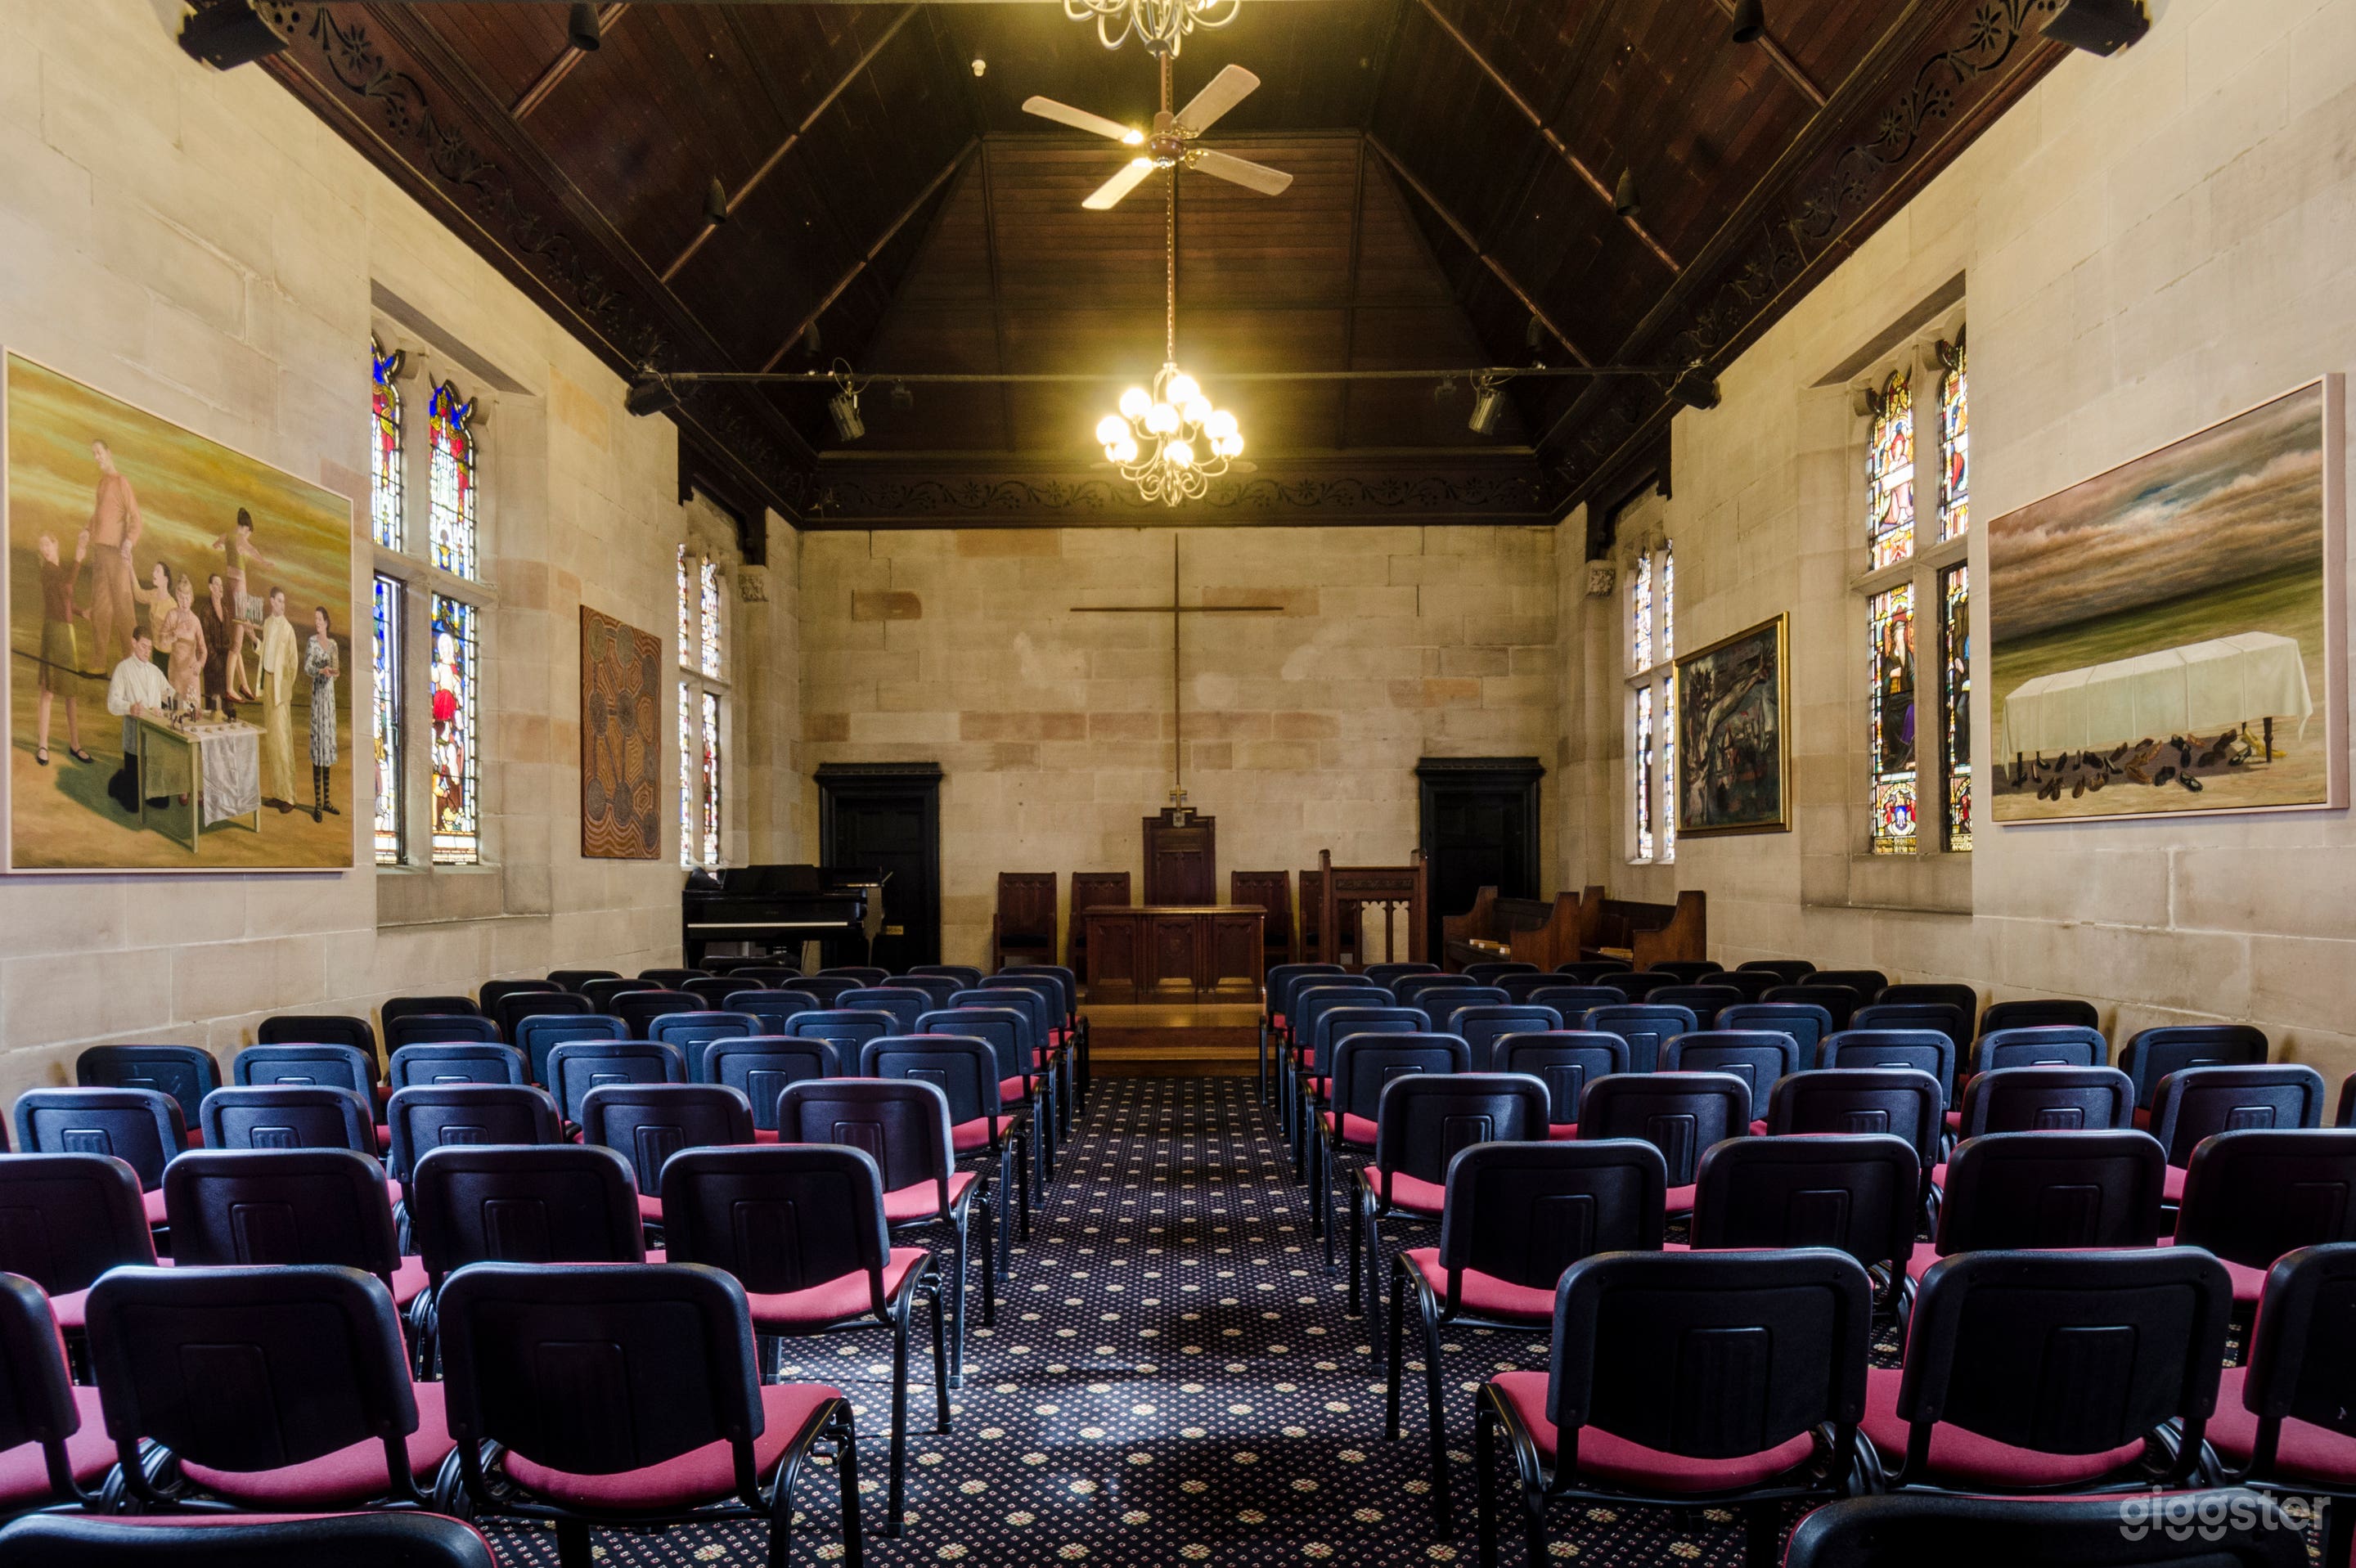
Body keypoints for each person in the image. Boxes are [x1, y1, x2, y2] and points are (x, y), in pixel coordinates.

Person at [34, 531, 93, 767]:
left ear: (56, 543)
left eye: (47, 544)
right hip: (53, 632)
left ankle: (75, 744)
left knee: (70, 692)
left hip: (68, 634)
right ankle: (43, 744)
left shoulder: (57, 570)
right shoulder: (48, 570)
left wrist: (81, 612)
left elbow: (65, 600)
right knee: (48, 691)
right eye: (41, 546)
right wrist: (78, 558)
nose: (44, 549)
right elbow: (68, 586)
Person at [85, 439, 143, 668]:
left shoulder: (122, 482)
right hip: (99, 552)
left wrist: (129, 541)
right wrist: (86, 531)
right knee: (100, 609)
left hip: (117, 554)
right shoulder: (102, 484)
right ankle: (99, 663)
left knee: (124, 610)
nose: (96, 457)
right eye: (93, 454)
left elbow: (136, 518)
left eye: (99, 452)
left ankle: (133, 664)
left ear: (109, 453)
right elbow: (98, 515)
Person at [105, 627, 173, 813]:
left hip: (153, 739)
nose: (147, 652)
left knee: (161, 802)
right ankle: (119, 781)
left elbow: (170, 693)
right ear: (134, 643)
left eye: (149, 648)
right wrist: (129, 708)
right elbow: (112, 702)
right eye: (143, 646)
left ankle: (136, 782)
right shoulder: (123, 669)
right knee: (133, 806)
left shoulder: (155, 671)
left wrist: (187, 706)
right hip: (134, 738)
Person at [213, 508, 273, 702]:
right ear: (246, 528)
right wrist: (264, 562)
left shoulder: (227, 536)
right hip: (239, 589)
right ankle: (229, 688)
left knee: (237, 639)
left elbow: (216, 543)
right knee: (237, 643)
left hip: (230, 589)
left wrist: (220, 546)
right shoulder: (240, 539)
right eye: (249, 533)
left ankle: (244, 685)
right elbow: (253, 551)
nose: (248, 537)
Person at [256, 586, 299, 813]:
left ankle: (289, 796)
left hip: (280, 691)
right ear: (271, 601)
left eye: (284, 601)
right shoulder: (267, 624)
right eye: (279, 601)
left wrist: (284, 688)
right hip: (268, 684)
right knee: (272, 742)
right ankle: (277, 793)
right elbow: (266, 653)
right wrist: (253, 639)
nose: (282, 605)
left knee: (283, 742)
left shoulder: (288, 629)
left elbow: (293, 663)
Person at [304, 605, 340, 823]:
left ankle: (327, 800)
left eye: (320, 619)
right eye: (315, 619)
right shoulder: (312, 642)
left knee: (327, 750)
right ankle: (317, 803)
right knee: (318, 751)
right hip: (318, 699)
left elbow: (337, 669)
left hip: (329, 701)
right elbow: (307, 667)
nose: (317, 622)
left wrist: (333, 672)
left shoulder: (333, 644)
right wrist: (320, 671)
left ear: (326, 622)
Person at [157, 574, 207, 708]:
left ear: (192, 599)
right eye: (181, 598)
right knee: (177, 710)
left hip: (191, 672)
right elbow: (161, 641)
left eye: (187, 598)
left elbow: (203, 650)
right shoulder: (172, 615)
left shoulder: (196, 621)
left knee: (193, 710)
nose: (184, 602)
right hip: (176, 671)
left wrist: (200, 663)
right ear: (177, 598)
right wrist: (174, 634)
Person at [197, 573, 236, 719]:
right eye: (216, 584)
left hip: (224, 663)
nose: (220, 588)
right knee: (214, 706)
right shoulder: (205, 610)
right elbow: (205, 640)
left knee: (227, 705)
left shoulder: (225, 610)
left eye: (221, 585)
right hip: (212, 665)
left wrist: (228, 660)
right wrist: (215, 661)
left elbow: (228, 637)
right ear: (210, 587)